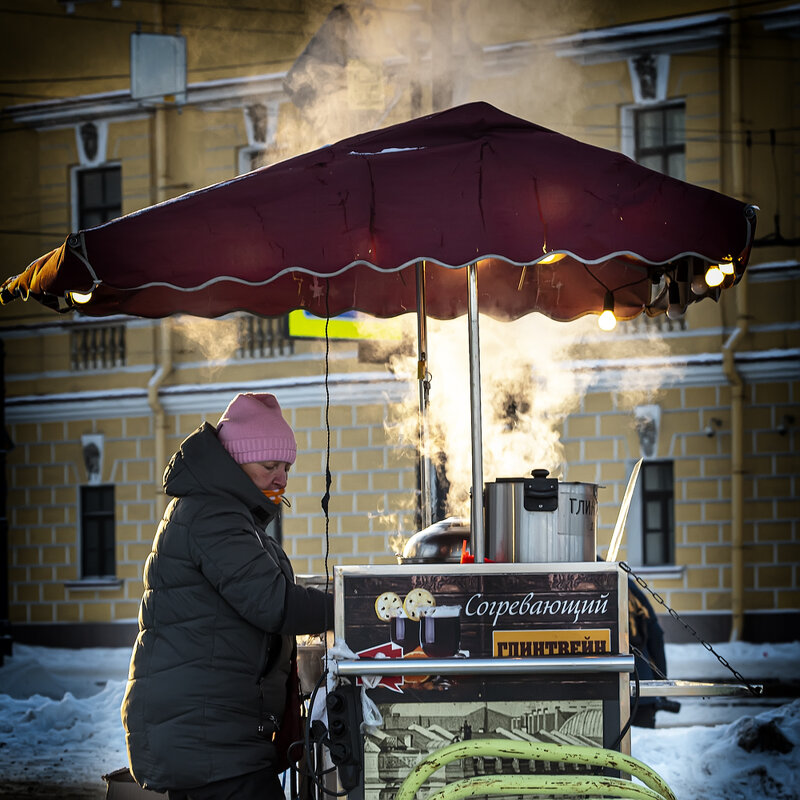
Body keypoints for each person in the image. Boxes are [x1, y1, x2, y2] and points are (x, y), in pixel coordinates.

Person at [121, 392, 334, 799]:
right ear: (236, 461)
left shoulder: (227, 514)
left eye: (286, 466)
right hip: (205, 738)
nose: (281, 477)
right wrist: (350, 604)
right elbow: (274, 602)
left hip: (212, 734)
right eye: (269, 465)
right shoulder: (212, 515)